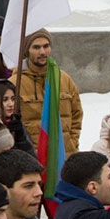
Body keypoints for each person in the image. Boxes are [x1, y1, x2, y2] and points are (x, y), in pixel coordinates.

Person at [9, 28, 83, 156]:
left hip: (65, 156)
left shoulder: (64, 79)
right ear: (27, 50)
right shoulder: (15, 82)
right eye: (36, 47)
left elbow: (77, 114)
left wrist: (71, 142)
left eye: (46, 46)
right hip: (33, 158)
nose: (42, 52)